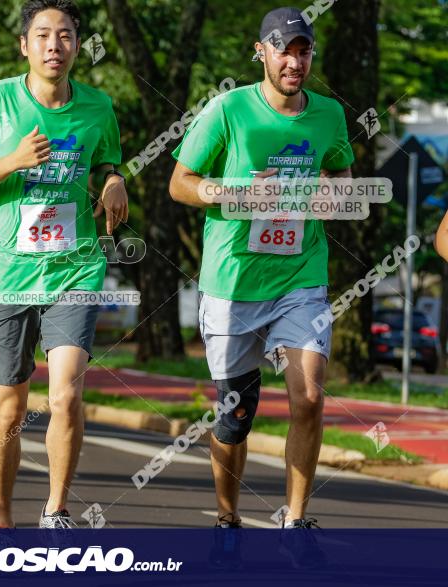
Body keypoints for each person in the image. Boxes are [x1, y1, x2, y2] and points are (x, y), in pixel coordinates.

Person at [169, 7, 353, 566]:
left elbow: (342, 178)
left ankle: (295, 522)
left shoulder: (329, 116)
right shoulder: (228, 110)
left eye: (304, 51)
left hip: (301, 274)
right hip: (232, 281)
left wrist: (331, 192)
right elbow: (181, 183)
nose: (294, 61)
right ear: (261, 52)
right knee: (236, 414)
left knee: (310, 398)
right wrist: (231, 191)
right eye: (284, 50)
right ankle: (228, 517)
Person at [0, 0, 128, 529]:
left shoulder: (98, 105)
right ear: (24, 46)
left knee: (66, 394)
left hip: (76, 267)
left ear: (77, 45)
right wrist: (13, 162)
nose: (55, 45)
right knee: (9, 409)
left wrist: (114, 180)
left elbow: (106, 160)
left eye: (65, 35)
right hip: (9, 274)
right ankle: (3, 519)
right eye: (43, 35)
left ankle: (56, 510)